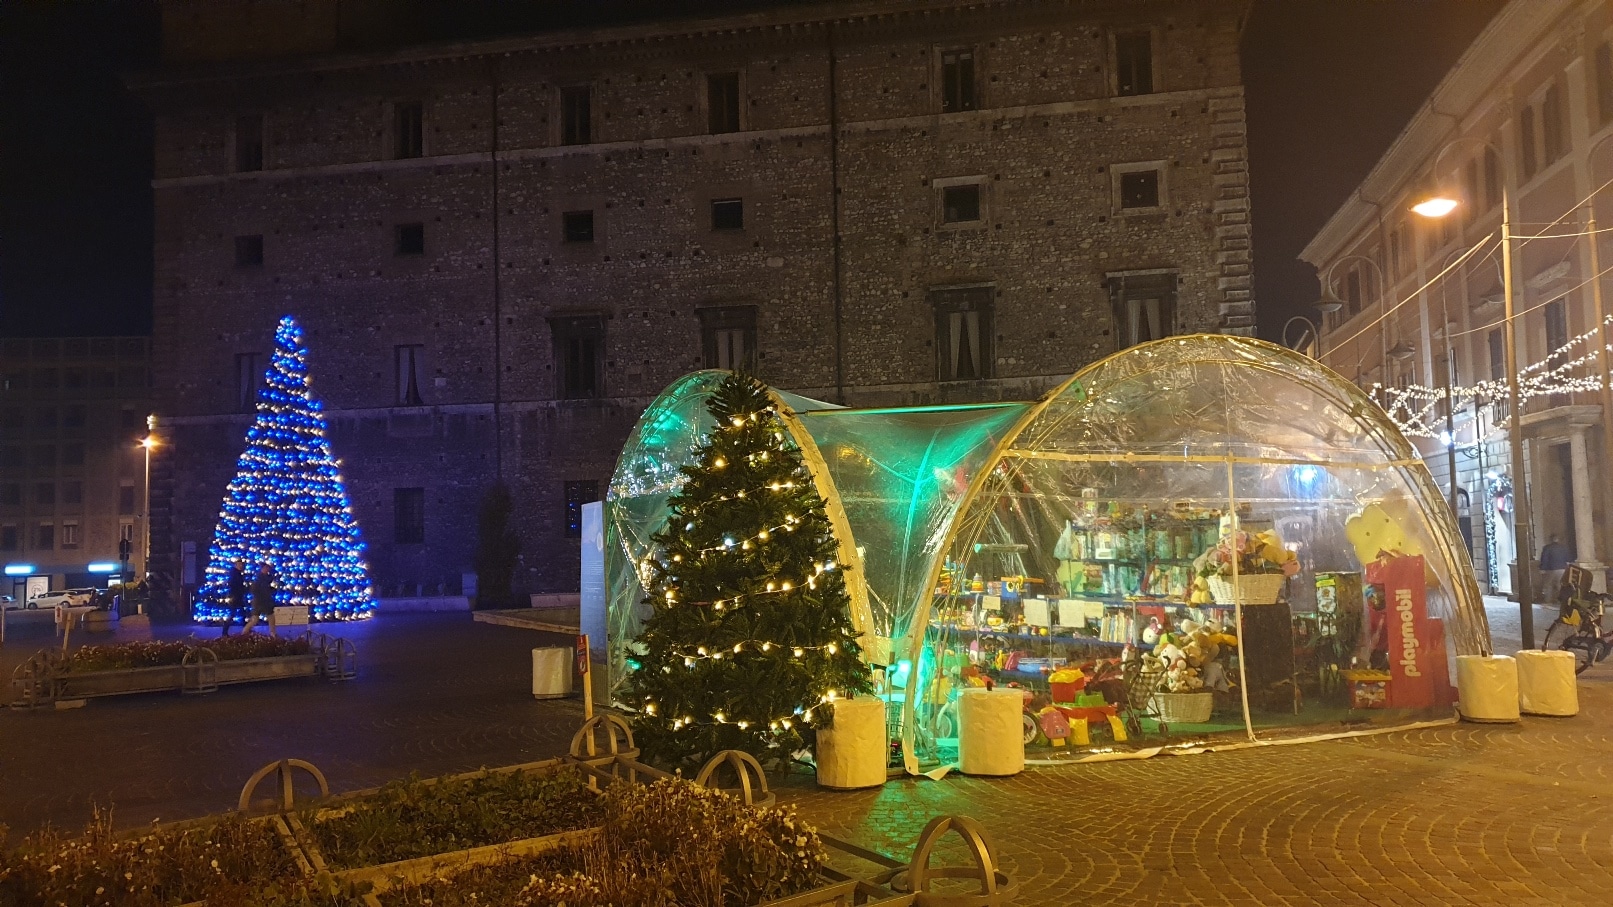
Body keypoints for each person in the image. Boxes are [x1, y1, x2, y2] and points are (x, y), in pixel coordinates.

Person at [1539, 535, 1572, 603]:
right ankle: (1562, 601)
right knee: (1560, 585)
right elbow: (1568, 559)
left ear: (1550, 539)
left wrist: (1542, 568)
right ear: (1558, 539)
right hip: (1562, 569)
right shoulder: (1563, 548)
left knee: (1548, 585)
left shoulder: (1547, 548)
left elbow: (1545, 559)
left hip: (1551, 569)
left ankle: (1548, 600)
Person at [244, 564, 276, 634]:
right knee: (260, 618)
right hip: (261, 601)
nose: (267, 569)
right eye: (266, 567)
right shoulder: (260, 578)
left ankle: (244, 632)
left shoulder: (264, 578)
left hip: (262, 601)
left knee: (267, 618)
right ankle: (273, 634)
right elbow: (256, 589)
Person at [225, 560, 247, 636]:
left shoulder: (237, 574)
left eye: (241, 564)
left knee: (241, 613)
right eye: (239, 564)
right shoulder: (235, 574)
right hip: (236, 596)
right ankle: (225, 631)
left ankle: (246, 630)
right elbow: (234, 585)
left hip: (238, 596)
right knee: (234, 614)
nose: (241, 566)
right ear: (235, 565)